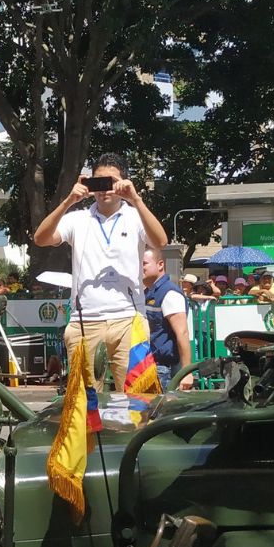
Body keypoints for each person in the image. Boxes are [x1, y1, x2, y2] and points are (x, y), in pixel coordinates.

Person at [33, 153, 168, 389]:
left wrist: (136, 199)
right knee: (84, 404)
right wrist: (68, 201)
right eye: (98, 182)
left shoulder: (135, 216)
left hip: (128, 319)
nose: (105, 189)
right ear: (89, 184)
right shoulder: (78, 218)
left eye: (111, 182)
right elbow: (41, 239)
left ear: (123, 182)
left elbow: (160, 241)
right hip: (85, 321)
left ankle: (136, 427)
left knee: (139, 397)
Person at [141, 247, 193, 390]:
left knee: (159, 412)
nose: (140, 268)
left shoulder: (169, 293)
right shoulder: (148, 293)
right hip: (149, 367)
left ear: (160, 265)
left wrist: (186, 372)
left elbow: (182, 333)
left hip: (163, 370)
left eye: (144, 263)